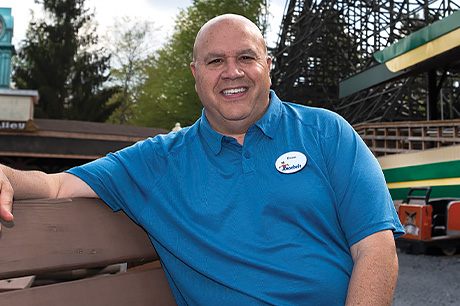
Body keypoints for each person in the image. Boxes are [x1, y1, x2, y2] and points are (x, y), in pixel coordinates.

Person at [0, 14, 403, 306]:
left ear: (267, 66)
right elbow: (56, 185)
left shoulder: (327, 133)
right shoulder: (159, 162)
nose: (232, 72)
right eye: (215, 61)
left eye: (246, 58)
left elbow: (375, 249)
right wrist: (6, 176)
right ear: (196, 74)